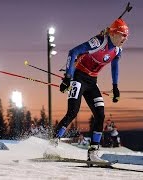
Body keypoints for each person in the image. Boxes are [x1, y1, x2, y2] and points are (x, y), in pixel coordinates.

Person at [54, 18, 129, 162]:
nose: (124, 39)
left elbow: (115, 66)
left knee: (100, 115)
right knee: (72, 112)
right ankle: (52, 143)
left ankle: (93, 152)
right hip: (78, 77)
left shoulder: (118, 50)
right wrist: (68, 78)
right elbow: (73, 52)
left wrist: (115, 87)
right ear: (113, 34)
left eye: (126, 36)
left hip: (92, 81)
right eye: (122, 35)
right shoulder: (99, 41)